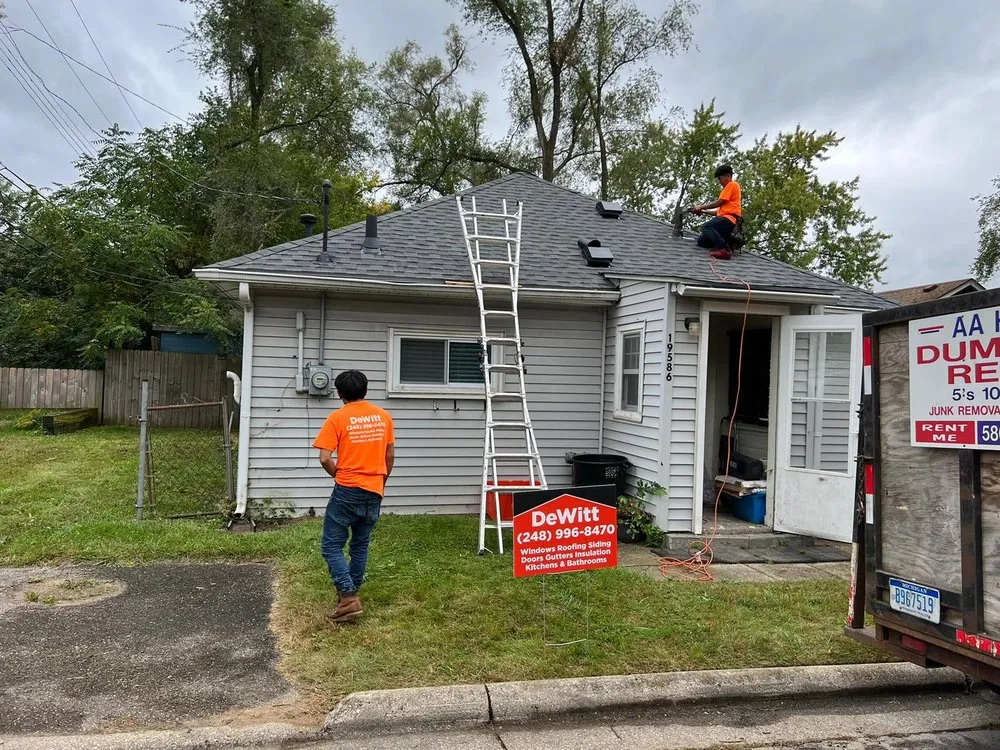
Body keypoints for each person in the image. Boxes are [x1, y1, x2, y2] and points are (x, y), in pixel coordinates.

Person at [312, 369, 395, 623]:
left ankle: (348, 598)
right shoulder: (383, 417)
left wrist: (338, 475)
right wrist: (381, 481)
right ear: (365, 391)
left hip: (347, 490)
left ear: (339, 393)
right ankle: (351, 594)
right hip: (374, 489)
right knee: (360, 544)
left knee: (331, 545)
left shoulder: (337, 418)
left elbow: (324, 458)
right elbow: (389, 455)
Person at [689, 164, 742, 260]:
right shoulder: (729, 194)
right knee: (701, 241)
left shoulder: (732, 185)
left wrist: (700, 207)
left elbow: (719, 202)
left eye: (720, 178)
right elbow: (719, 212)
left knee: (706, 226)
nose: (719, 182)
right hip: (726, 219)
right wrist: (703, 211)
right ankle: (726, 243)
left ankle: (724, 249)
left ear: (728, 176)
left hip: (730, 219)